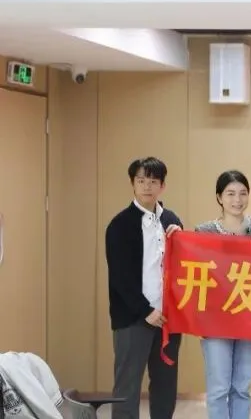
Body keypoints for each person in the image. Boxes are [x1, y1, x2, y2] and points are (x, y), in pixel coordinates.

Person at [105, 157, 183, 419]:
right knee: (127, 387)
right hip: (134, 318)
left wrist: (181, 237)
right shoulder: (120, 224)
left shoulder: (171, 220)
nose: (147, 186)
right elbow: (120, 277)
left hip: (168, 319)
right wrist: (145, 310)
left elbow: (183, 265)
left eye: (153, 181)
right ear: (133, 184)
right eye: (141, 181)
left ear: (162, 186)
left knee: (165, 385)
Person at [194, 171, 251, 419]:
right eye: (230, 194)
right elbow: (196, 272)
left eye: (242, 193)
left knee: (242, 387)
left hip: (250, 316)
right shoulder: (203, 231)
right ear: (219, 197)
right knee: (219, 388)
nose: (237, 200)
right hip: (215, 319)